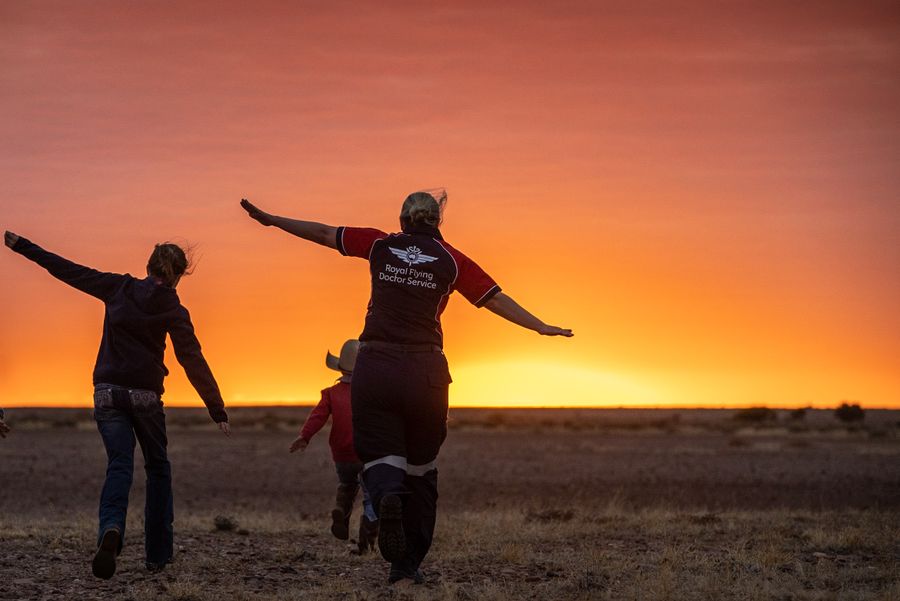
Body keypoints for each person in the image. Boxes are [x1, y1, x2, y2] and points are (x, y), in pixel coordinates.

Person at [241, 190, 572, 584]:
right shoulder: (452, 260)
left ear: (402, 219)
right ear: (437, 222)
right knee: (421, 467)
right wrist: (539, 325)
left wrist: (274, 219)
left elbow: (324, 233)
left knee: (380, 456)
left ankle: (386, 499)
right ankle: (407, 562)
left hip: (376, 365)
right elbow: (494, 300)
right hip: (426, 370)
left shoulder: (381, 244)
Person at [4, 231, 231, 579]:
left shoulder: (119, 288)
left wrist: (24, 246)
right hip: (145, 397)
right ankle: (157, 555)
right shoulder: (173, 307)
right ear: (180, 274)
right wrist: (217, 409)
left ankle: (111, 528)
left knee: (119, 465)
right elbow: (192, 359)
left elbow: (67, 270)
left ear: (148, 265)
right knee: (158, 469)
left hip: (107, 393)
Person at [288, 339, 378, 553]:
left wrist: (304, 436)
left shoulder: (331, 394)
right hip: (367, 452)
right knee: (371, 494)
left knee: (347, 485)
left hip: (342, 453)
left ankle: (341, 510)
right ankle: (367, 542)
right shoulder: (372, 391)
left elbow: (317, 416)